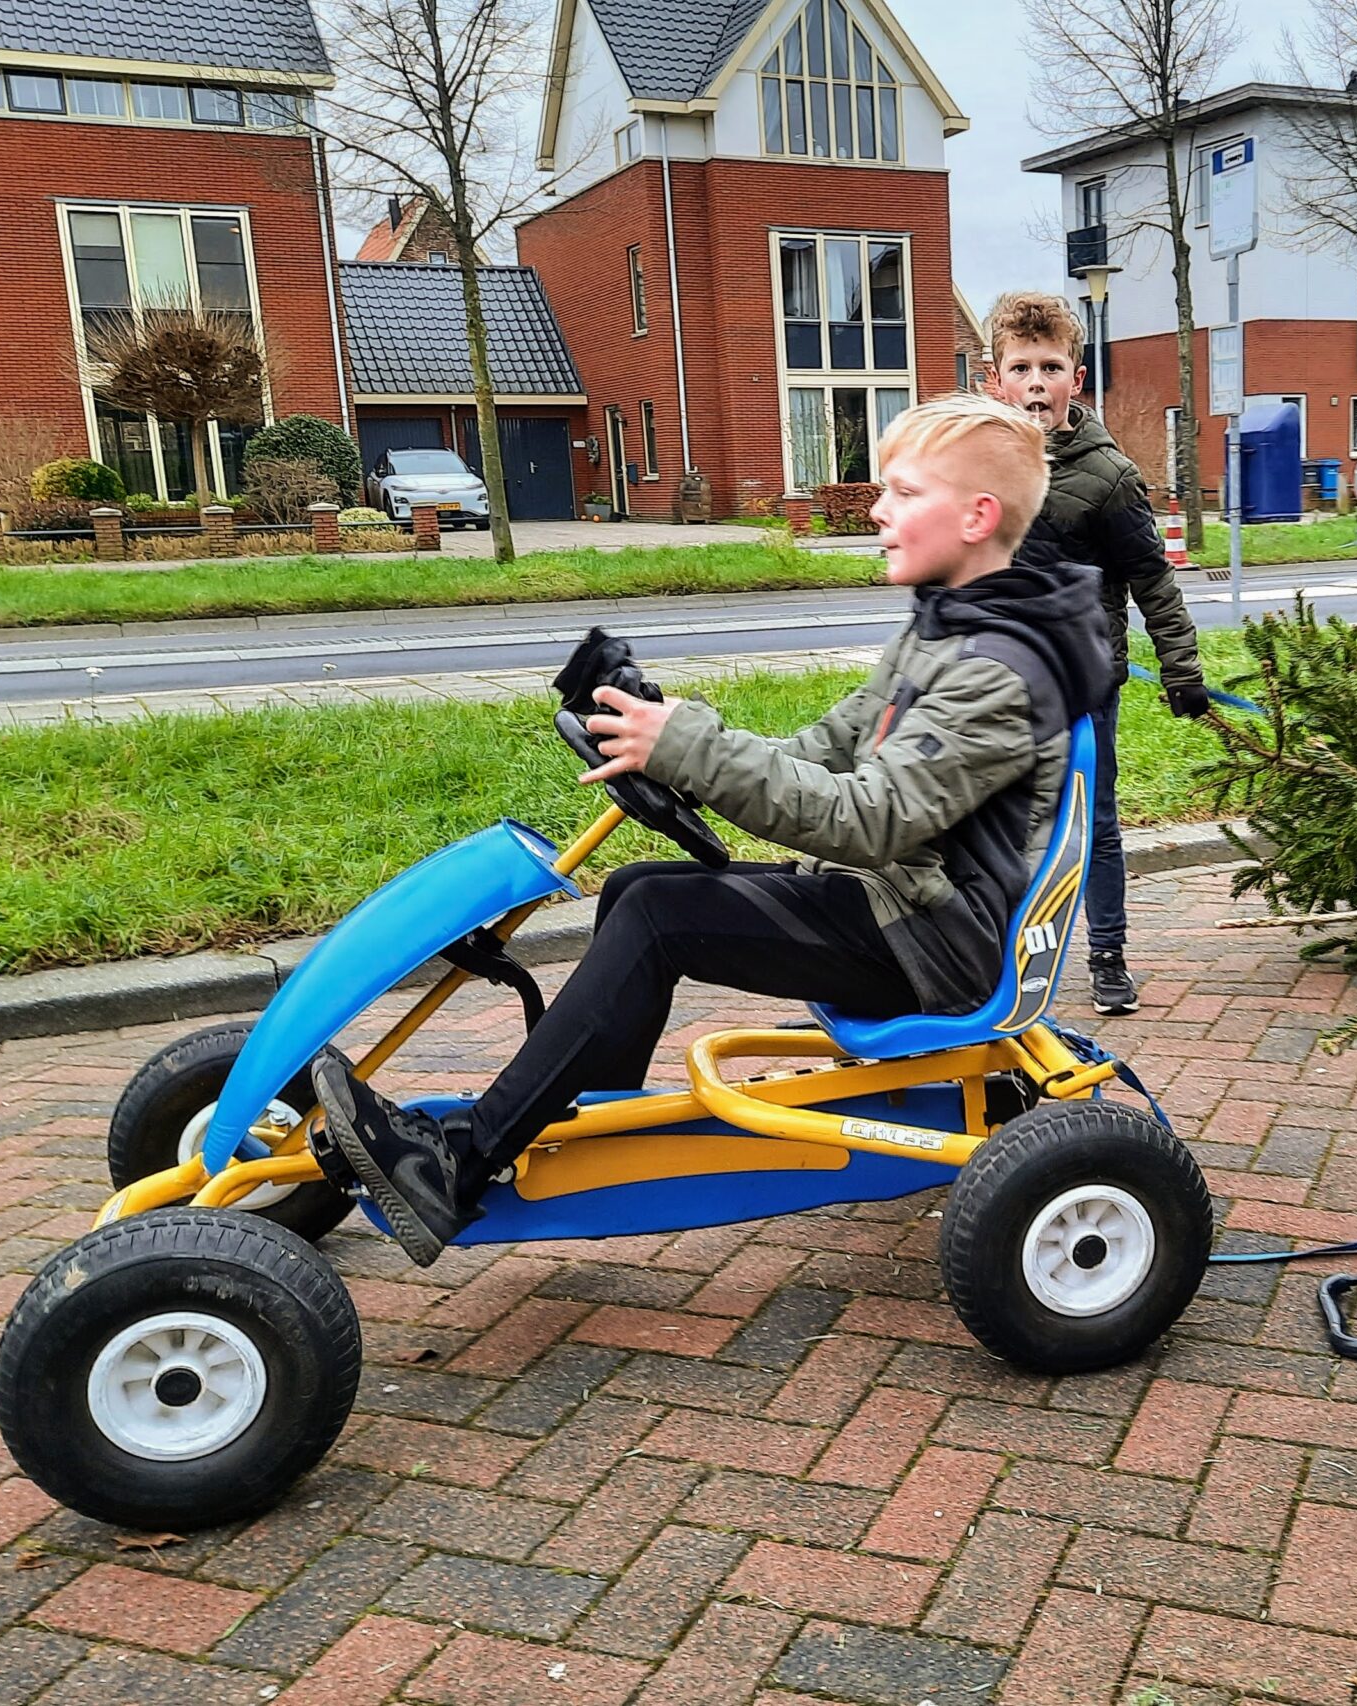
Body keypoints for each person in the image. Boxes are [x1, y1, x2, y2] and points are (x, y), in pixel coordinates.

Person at [309, 392, 1113, 1265]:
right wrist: (673, 745)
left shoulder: (998, 668)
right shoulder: (948, 625)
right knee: (637, 889)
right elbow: (817, 753)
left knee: (662, 920)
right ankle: (568, 1124)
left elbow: (866, 819)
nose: (879, 510)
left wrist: (690, 747)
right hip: (904, 905)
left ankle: (459, 1166)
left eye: (904, 492)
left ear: (977, 517)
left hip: (936, 946)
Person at [986, 290, 1208, 1015]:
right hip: (999, 680)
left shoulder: (1108, 475)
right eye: (1021, 368)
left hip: (1085, 681)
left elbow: (1152, 580)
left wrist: (1182, 669)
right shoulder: (978, 462)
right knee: (998, 821)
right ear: (996, 380)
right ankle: (995, 956)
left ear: (1075, 379)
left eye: (1051, 367)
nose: (1037, 383)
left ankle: (1107, 953)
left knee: (1093, 821)